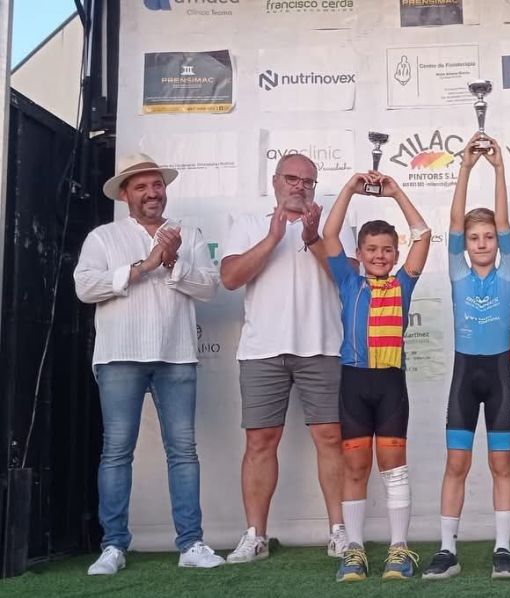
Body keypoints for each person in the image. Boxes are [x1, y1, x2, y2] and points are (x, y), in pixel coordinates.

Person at [74, 153, 222, 574]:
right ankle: (113, 546)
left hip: (177, 354)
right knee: (117, 452)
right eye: (141, 186)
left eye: (157, 185)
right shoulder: (103, 237)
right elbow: (85, 287)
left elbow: (209, 288)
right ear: (125, 195)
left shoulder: (188, 234)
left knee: (183, 452)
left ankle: (191, 544)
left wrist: (172, 261)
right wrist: (144, 266)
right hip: (120, 356)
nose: (152, 193)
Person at [220, 154, 353, 563]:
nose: (299, 186)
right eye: (292, 178)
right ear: (275, 181)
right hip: (262, 349)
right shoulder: (248, 222)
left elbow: (348, 278)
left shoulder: (332, 224)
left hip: (322, 345)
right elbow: (230, 278)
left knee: (330, 439)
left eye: (308, 181)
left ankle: (339, 532)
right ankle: (255, 536)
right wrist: (273, 237)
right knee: (260, 442)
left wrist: (314, 239)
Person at [320, 170, 431, 582]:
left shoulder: (403, 284)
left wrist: (396, 192)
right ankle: (354, 550)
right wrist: (350, 189)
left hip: (389, 385)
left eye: (387, 249)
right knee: (354, 468)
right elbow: (329, 234)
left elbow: (423, 235)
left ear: (395, 253)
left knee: (393, 468)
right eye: (372, 249)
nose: (380, 256)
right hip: (354, 382)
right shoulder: (349, 281)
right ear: (360, 253)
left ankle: (399, 548)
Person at [422, 134, 510, 580]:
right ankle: (447, 550)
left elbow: (504, 221)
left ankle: (503, 549)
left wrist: (498, 168)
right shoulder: (458, 270)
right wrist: (464, 166)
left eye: (488, 237)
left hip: (498, 377)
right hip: (465, 377)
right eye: (474, 237)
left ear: (498, 242)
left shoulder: (508, 271)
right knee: (456, 463)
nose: (481, 243)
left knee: (501, 464)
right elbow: (453, 224)